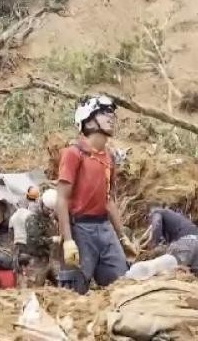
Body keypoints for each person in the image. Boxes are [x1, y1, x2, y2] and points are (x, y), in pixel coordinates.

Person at [56, 95, 135, 294]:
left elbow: (108, 201)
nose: (111, 117)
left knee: (123, 284)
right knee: (73, 292)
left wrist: (123, 237)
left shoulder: (108, 157)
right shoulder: (73, 153)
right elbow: (62, 199)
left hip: (104, 227)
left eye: (112, 113)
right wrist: (67, 240)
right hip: (80, 228)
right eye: (105, 113)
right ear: (89, 120)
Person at [140, 203, 198, 278]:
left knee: (170, 269)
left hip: (185, 241)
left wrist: (153, 244)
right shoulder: (175, 217)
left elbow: (157, 224)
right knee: (195, 274)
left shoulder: (157, 212)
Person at [25, 189, 61, 286]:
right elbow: (33, 241)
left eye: (52, 210)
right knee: (34, 290)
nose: (50, 212)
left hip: (52, 259)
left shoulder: (51, 218)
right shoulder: (33, 219)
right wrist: (51, 240)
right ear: (42, 204)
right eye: (48, 209)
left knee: (64, 287)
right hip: (37, 261)